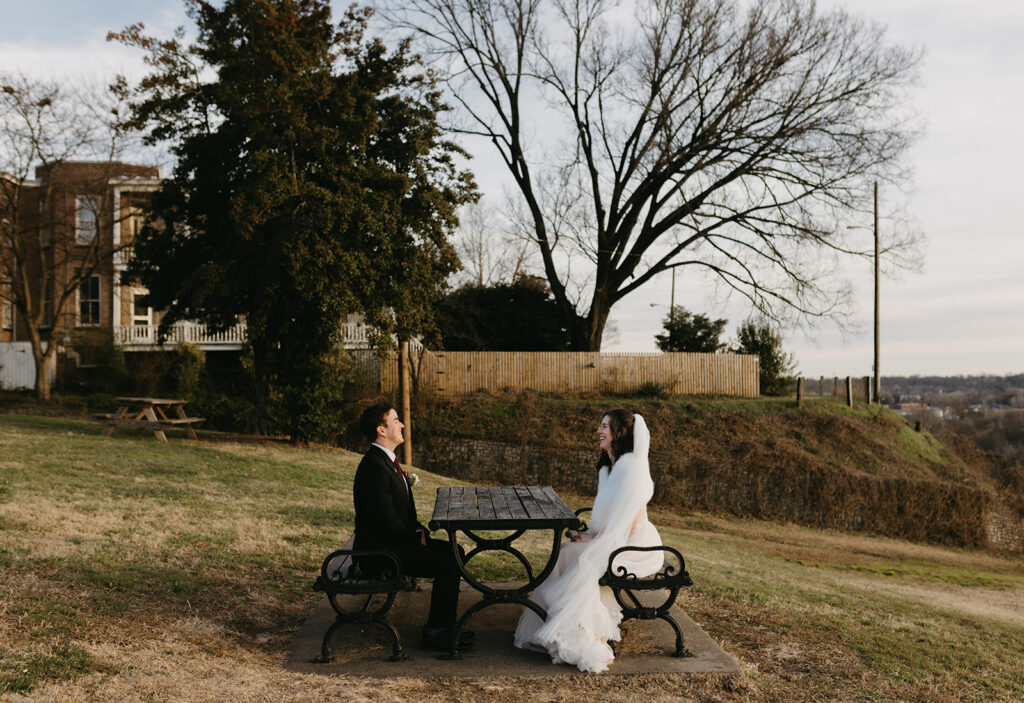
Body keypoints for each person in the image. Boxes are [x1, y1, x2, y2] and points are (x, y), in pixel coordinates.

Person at [513, 409, 662, 672]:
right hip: (612, 538)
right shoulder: (609, 467)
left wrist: (596, 540)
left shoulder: (631, 468)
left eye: (605, 426)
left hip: (634, 544)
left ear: (621, 433)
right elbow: (609, 515)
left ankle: (581, 635)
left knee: (581, 561)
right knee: (564, 552)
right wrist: (591, 535)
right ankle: (554, 623)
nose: (599, 431)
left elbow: (634, 522)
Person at [352, 401, 473, 651]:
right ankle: (436, 633)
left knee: (454, 552)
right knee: (450, 558)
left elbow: (395, 516)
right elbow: (385, 522)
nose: (402, 424)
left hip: (393, 544)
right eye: (395, 420)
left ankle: (445, 627)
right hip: (382, 553)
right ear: (381, 430)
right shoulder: (375, 467)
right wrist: (416, 533)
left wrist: (418, 531)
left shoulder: (385, 461)